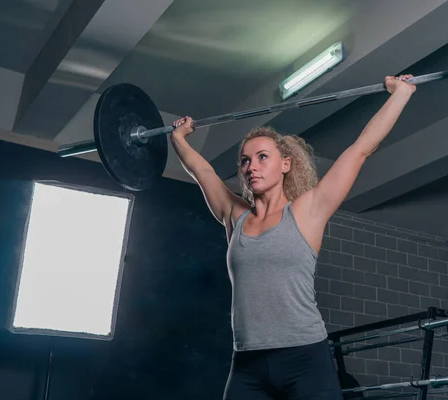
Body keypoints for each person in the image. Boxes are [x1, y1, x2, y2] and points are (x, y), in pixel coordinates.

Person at [170, 74, 416, 400]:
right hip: (248, 363)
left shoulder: (307, 211)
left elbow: (359, 151)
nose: (251, 166)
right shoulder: (235, 216)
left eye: (262, 157)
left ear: (285, 164)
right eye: (245, 160)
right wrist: (179, 139)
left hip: (305, 359)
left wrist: (401, 93)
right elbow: (202, 172)